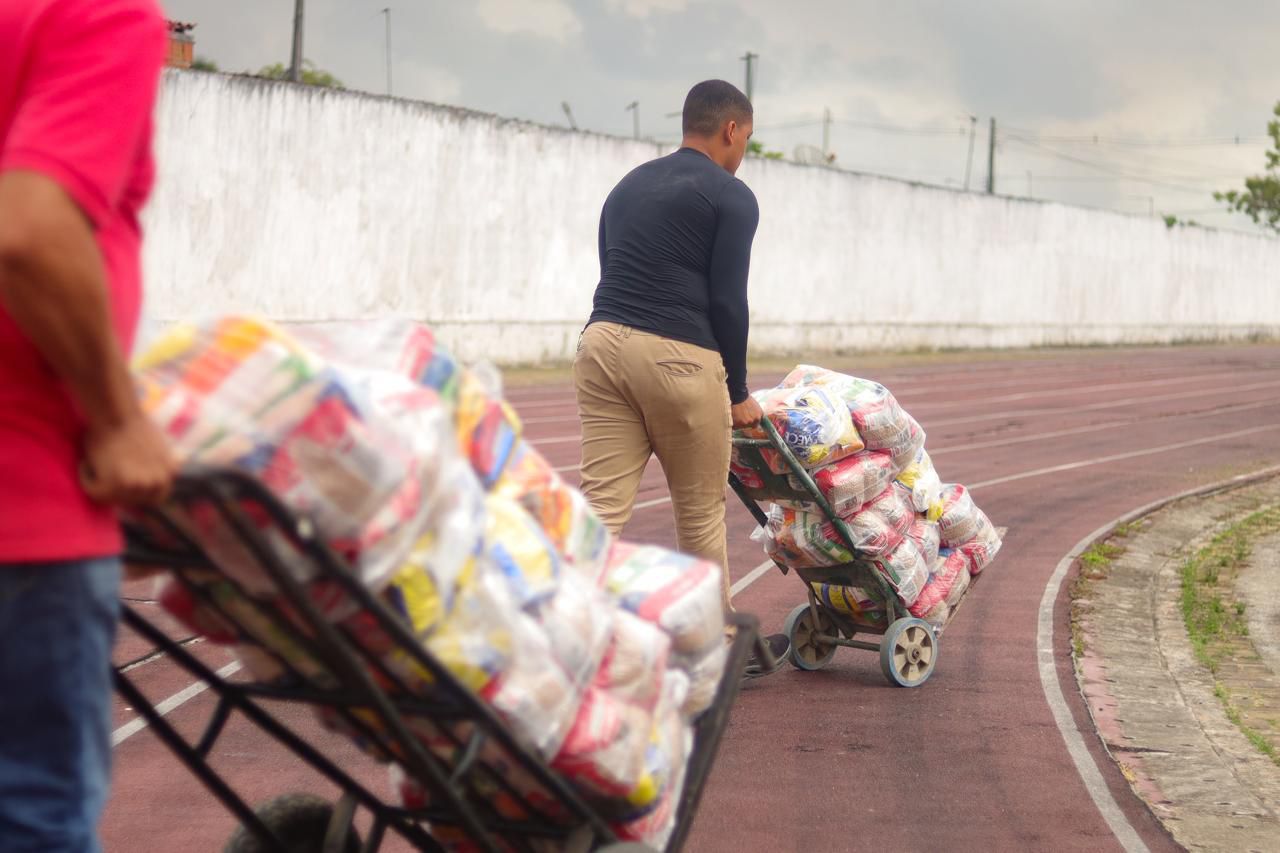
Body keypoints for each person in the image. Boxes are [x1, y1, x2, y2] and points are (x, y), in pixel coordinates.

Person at [0, 1, 176, 850]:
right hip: (26, 507)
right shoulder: (93, 13)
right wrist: (117, 421)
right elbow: (30, 233)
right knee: (35, 816)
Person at [573, 79, 789, 676]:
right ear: (731, 130)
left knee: (601, 507)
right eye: (747, 138)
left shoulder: (627, 185)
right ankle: (716, 648)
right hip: (679, 356)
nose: (743, 151)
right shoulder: (731, 196)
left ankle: (562, 627)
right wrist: (737, 391)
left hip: (601, 344)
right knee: (698, 512)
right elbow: (727, 301)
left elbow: (611, 268)